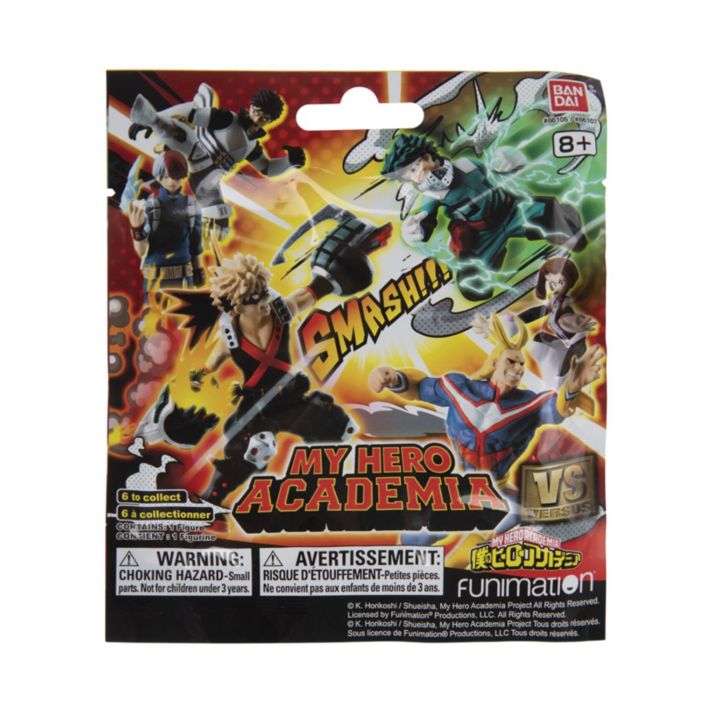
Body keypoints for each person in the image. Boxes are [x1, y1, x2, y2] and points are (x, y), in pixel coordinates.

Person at [369, 314, 602, 483]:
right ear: (494, 363)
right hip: (459, 482)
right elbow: (421, 388)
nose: (518, 368)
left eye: (521, 364)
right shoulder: (458, 388)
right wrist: (393, 378)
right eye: (511, 361)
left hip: (499, 487)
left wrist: (573, 385)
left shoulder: (529, 404)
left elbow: (557, 410)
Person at [381, 134, 586, 300]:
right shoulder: (432, 196)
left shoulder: (466, 165)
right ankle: (492, 259)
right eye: (410, 175)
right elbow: (425, 218)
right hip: (485, 233)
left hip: (512, 210)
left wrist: (512, 160)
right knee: (473, 285)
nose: (417, 176)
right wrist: (414, 231)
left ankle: (563, 226)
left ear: (427, 158)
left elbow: (498, 173)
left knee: (563, 223)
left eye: (415, 168)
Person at [129, 85, 306, 235]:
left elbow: (267, 168)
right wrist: (155, 119)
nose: (258, 119)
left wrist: (291, 161)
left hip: (207, 179)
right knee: (178, 138)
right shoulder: (227, 119)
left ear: (270, 121)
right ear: (251, 106)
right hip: (190, 152)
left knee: (219, 224)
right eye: (257, 112)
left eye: (265, 118)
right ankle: (152, 121)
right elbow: (191, 113)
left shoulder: (252, 146)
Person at [473, 257, 597, 387]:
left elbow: (568, 318)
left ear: (568, 283)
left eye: (561, 282)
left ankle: (560, 385)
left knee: (560, 377)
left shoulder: (566, 305)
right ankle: (554, 368)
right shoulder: (554, 300)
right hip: (563, 342)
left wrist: (575, 324)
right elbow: (534, 313)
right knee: (539, 338)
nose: (554, 287)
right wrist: (511, 320)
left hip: (576, 346)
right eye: (551, 282)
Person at [126, 150, 204, 296]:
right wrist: (137, 229)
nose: (172, 182)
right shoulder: (150, 207)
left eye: (176, 176)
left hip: (184, 279)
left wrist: (198, 270)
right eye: (167, 176)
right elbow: (141, 251)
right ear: (158, 176)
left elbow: (195, 246)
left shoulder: (192, 206)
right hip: (155, 280)